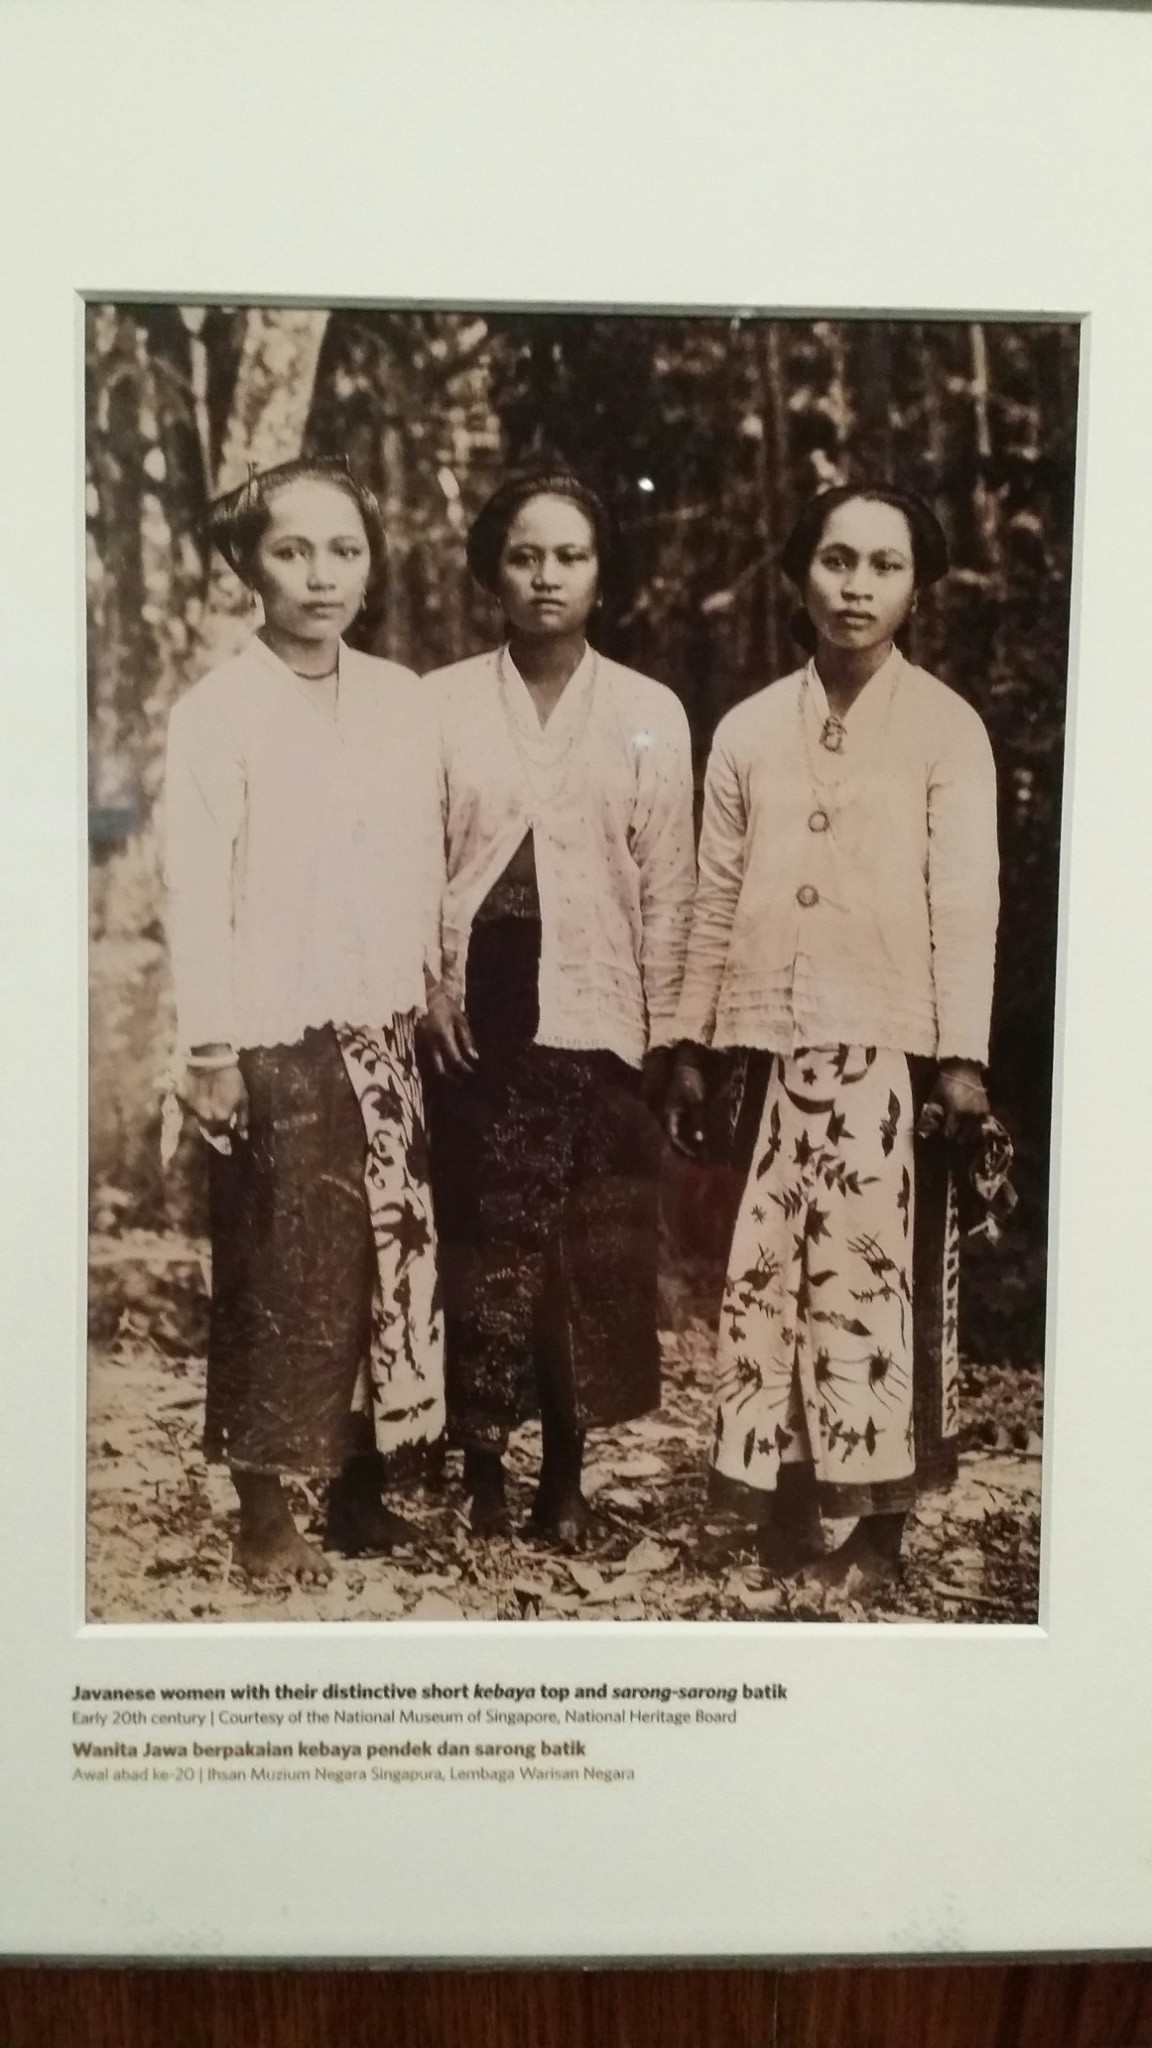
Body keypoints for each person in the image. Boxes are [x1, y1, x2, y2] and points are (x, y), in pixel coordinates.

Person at [665, 483, 1000, 1584]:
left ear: (916, 583)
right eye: (837, 560)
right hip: (766, 1044)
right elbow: (717, 894)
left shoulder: (947, 728)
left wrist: (960, 1057)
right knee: (769, 1283)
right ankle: (786, 1506)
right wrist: (694, 1042)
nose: (857, 586)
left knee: (872, 1286)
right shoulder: (754, 726)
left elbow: (964, 900)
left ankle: (885, 1528)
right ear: (800, 573)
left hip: (890, 1048)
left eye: (884, 566)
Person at [164, 457, 445, 1582]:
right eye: (291, 550)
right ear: (248, 565)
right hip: (271, 1030)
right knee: (281, 1264)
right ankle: (264, 1505)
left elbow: (418, 857)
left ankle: (362, 1487)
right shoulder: (217, 709)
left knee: (384, 1257)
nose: (320, 576)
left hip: (379, 1027)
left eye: (344, 550)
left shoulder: (399, 697)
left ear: (371, 562)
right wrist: (210, 1048)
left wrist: (424, 989)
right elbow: (195, 878)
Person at [421, 466, 696, 1544]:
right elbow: (410, 860)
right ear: (494, 567)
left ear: (600, 573)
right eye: (525, 554)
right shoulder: (439, 701)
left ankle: (565, 1475)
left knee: (580, 1250)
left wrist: (670, 1037)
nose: (546, 576)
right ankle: (482, 1467)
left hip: (594, 999)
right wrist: (429, 985)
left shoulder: (647, 710)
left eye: (569, 555)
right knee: (482, 1234)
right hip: (473, 1002)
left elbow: (668, 879)